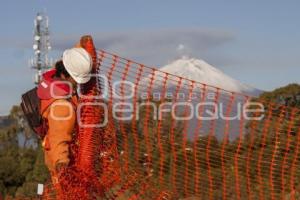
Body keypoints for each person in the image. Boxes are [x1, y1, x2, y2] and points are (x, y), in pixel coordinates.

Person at [37, 47, 103, 199]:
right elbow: (59, 139)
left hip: (61, 158)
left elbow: (72, 60)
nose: (78, 84)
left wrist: (83, 47)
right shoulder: (62, 106)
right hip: (66, 166)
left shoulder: (54, 80)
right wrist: (63, 167)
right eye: (77, 79)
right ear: (68, 75)